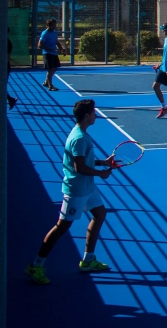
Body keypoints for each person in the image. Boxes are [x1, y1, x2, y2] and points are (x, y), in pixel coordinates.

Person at [25, 99, 113, 285]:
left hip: (88, 187)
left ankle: (88, 260)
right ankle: (36, 265)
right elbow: (79, 167)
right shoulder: (79, 138)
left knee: (99, 214)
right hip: (77, 190)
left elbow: (84, 161)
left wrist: (102, 162)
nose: (96, 115)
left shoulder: (81, 134)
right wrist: (101, 174)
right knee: (62, 227)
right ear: (87, 115)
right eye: (94, 112)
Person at [37, 18, 63, 91]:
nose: (54, 26)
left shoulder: (54, 32)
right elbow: (40, 45)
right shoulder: (45, 33)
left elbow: (57, 42)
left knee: (54, 68)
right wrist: (49, 49)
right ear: (48, 25)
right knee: (50, 70)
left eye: (55, 25)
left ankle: (46, 82)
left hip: (54, 53)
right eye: (53, 25)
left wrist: (61, 48)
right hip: (47, 53)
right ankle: (50, 86)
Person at [7, 28, 17, 109]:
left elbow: (7, 57)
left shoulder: (7, 42)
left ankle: (11, 99)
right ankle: (10, 99)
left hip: (4, 67)